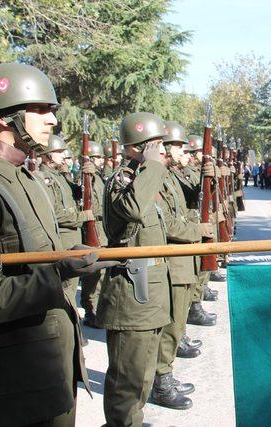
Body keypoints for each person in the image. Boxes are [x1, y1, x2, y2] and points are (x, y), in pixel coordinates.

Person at [0, 62, 117, 426]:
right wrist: (57, 274)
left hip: (49, 368)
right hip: (13, 382)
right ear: (1, 115)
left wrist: (68, 257)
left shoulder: (25, 177)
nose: (51, 121)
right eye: (41, 110)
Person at [96, 112, 173, 425]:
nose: (162, 153)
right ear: (137, 149)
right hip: (132, 291)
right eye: (155, 146)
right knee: (127, 378)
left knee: (142, 373)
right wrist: (152, 166)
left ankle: (132, 421)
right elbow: (133, 209)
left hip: (150, 291)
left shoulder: (143, 178)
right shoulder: (123, 181)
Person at [151, 121, 215, 410]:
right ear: (163, 148)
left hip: (183, 259)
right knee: (169, 326)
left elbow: (192, 203)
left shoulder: (172, 176)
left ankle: (166, 375)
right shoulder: (155, 177)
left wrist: (209, 177)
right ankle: (161, 383)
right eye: (177, 146)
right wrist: (198, 231)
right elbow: (165, 222)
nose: (183, 150)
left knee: (176, 325)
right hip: (172, 261)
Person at [39, 134, 94, 303]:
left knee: (70, 290)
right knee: (65, 291)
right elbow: (54, 213)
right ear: (47, 154)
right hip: (63, 241)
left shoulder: (60, 176)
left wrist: (89, 177)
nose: (64, 155)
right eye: (59, 151)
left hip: (73, 239)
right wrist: (82, 216)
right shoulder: (46, 179)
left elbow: (78, 194)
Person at [80, 141, 109, 328]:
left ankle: (98, 307)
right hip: (91, 230)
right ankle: (90, 310)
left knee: (102, 273)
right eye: (97, 158)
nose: (100, 161)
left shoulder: (98, 178)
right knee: (92, 275)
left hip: (101, 231)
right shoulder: (83, 177)